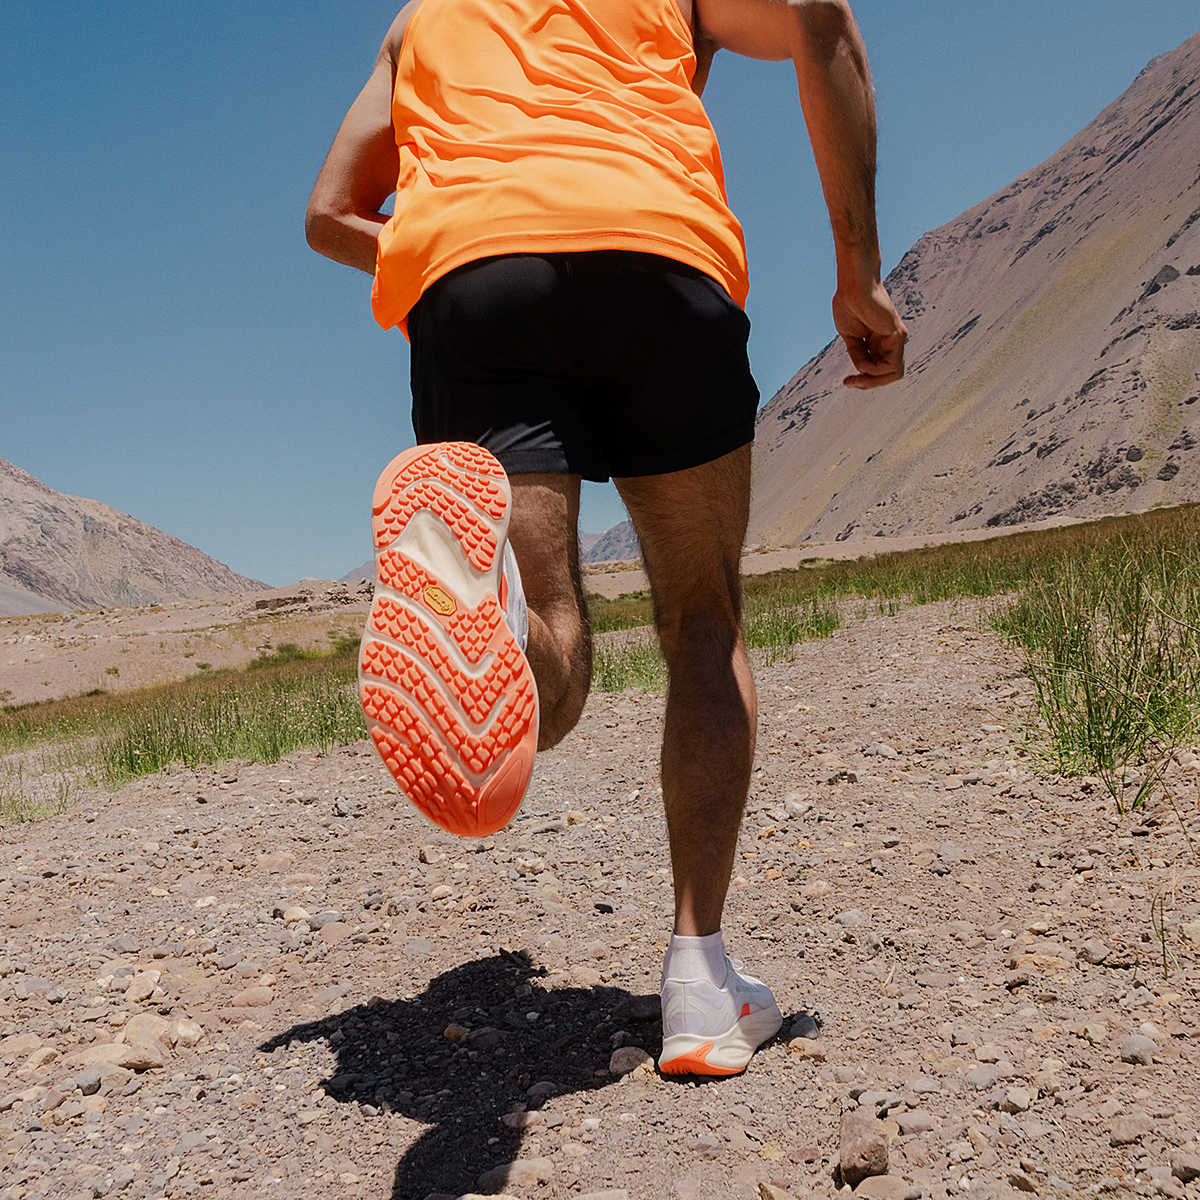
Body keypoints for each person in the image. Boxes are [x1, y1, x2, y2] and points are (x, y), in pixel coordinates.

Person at [305, 0, 906, 1077]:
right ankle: (699, 987)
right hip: (658, 256)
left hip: (474, 278)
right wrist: (855, 272)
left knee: (550, 656)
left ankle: (482, 605)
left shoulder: (423, 17)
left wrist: (435, 246)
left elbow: (327, 211)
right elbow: (821, 16)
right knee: (703, 623)